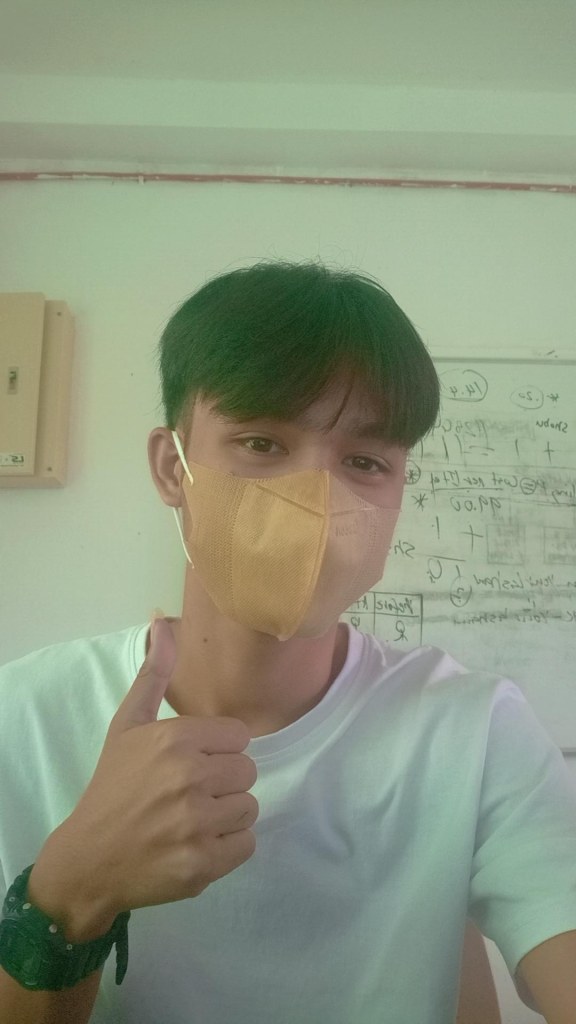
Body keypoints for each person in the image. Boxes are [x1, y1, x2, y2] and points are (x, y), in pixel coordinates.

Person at [1, 259, 575, 1023]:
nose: (316, 499)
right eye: (262, 444)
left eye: (364, 462)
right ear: (173, 468)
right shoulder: (23, 718)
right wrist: (70, 893)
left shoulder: (473, 729)